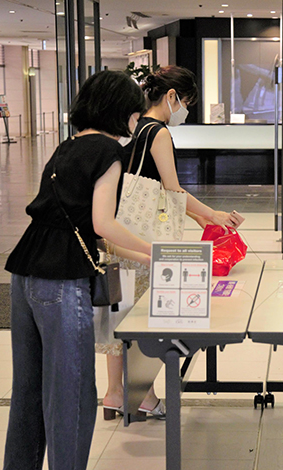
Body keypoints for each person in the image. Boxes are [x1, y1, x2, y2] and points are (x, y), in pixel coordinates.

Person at [0, 70, 152, 470]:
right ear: (122, 111)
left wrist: (145, 258)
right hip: (61, 282)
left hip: (24, 271)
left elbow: (82, 225)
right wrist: (156, 249)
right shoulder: (108, 150)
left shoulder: (66, 147)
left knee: (30, 380)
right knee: (71, 386)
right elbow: (104, 223)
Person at [98, 65, 242, 421]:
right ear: (172, 97)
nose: (186, 110)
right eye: (187, 102)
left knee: (120, 312)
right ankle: (144, 396)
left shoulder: (134, 128)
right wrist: (214, 214)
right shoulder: (159, 133)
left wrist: (198, 217)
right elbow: (172, 188)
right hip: (143, 240)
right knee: (143, 318)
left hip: (118, 232)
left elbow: (152, 187)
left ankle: (114, 393)